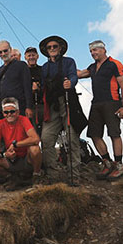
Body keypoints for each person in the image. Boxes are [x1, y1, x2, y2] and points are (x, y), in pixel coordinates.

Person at [77, 40, 123, 181]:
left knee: (114, 133)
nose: (93, 53)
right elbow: (80, 74)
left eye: (96, 50)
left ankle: (118, 164)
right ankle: (106, 162)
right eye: (91, 51)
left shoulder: (114, 64)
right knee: (94, 134)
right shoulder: (93, 67)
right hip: (96, 104)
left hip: (112, 102)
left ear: (103, 50)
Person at [39, 35, 83, 180]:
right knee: (46, 139)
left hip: (67, 102)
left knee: (72, 139)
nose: (52, 49)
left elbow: (73, 76)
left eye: (54, 46)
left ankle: (74, 175)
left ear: (60, 48)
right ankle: (53, 174)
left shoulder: (69, 62)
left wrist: (70, 82)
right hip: (51, 106)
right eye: (49, 47)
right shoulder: (45, 67)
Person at [0, 97, 45, 191]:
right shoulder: (0, 124)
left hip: (26, 158)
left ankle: (36, 175)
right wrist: (4, 154)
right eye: (6, 112)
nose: (9, 114)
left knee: (35, 149)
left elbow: (36, 139)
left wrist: (16, 144)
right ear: (3, 113)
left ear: (17, 112)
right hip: (11, 159)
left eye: (12, 111)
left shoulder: (24, 120)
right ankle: (12, 178)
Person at [0, 40, 34, 119]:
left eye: (5, 51)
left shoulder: (21, 65)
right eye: (0, 52)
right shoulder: (0, 70)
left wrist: (29, 107)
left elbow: (27, 87)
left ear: (10, 49)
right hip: (5, 109)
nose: (3, 54)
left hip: (20, 107)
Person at [25, 47, 44, 134]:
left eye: (33, 55)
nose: (31, 57)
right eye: (29, 55)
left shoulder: (42, 70)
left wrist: (39, 87)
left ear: (37, 56)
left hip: (42, 105)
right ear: (25, 57)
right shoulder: (23, 71)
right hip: (28, 107)